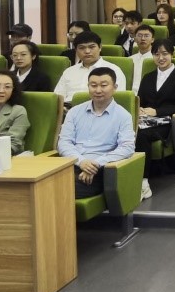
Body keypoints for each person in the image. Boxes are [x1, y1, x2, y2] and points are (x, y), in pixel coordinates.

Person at [57, 67, 135, 199]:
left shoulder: (123, 116)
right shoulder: (74, 112)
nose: (98, 90)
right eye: (93, 85)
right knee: (41, 183)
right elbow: (64, 142)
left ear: (115, 87)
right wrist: (81, 161)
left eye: (103, 85)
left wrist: (95, 164)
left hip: (100, 171)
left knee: (58, 189)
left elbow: (127, 147)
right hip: (71, 164)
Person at [135, 40, 175, 182]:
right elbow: (140, 100)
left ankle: (142, 179)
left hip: (167, 122)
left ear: (172, 55)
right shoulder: (148, 77)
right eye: (156, 54)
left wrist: (156, 111)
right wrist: (139, 108)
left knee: (142, 135)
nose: (160, 58)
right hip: (145, 119)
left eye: (165, 54)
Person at [54, 31, 126, 105]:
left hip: (100, 108)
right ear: (76, 50)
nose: (87, 51)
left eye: (91, 47)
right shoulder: (69, 71)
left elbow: (118, 99)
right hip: (69, 109)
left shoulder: (114, 70)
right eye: (82, 48)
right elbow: (58, 97)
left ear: (100, 47)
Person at [127, 24, 157, 93]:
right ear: (135, 39)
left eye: (146, 36)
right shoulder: (129, 60)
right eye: (140, 35)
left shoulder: (157, 60)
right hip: (130, 94)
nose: (143, 38)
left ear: (152, 40)